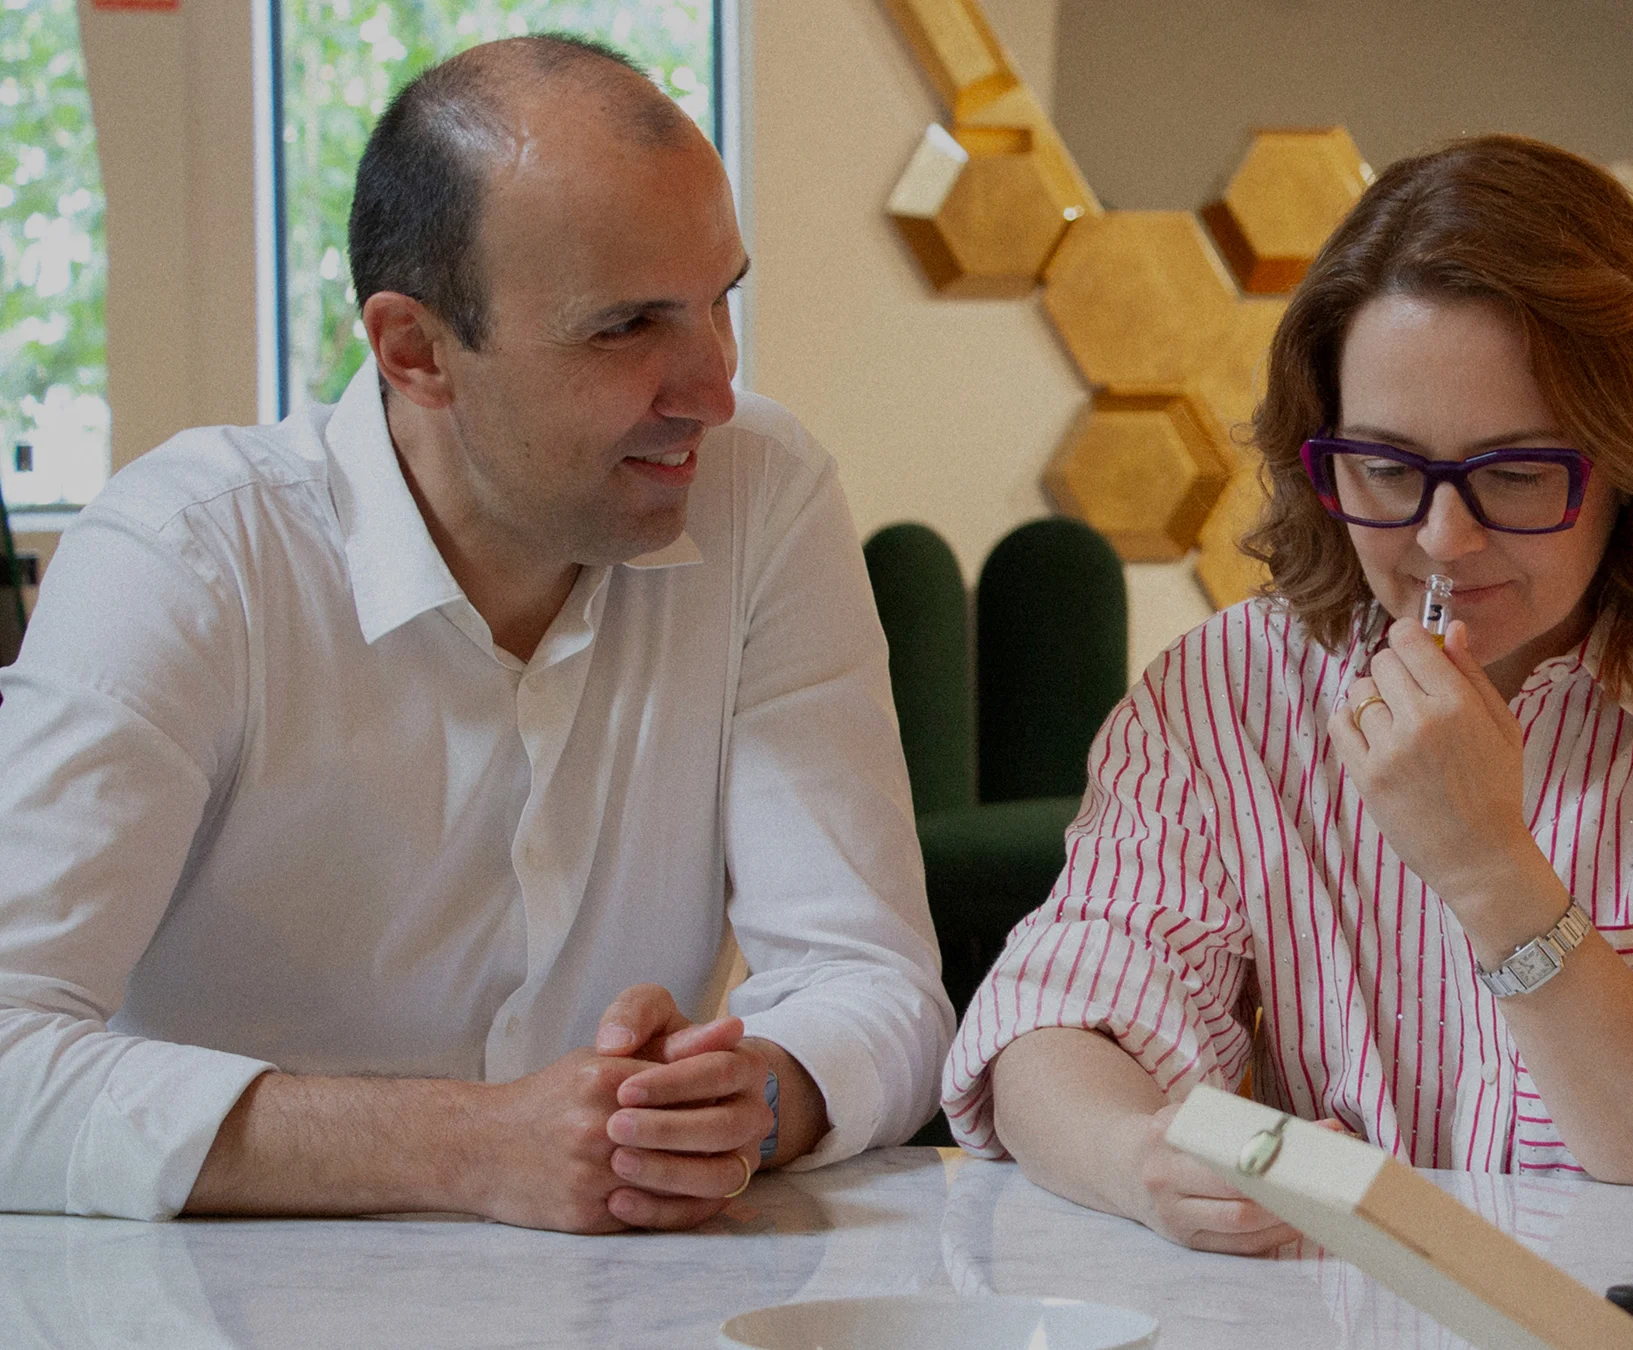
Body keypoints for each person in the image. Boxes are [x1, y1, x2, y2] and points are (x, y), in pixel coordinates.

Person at [0, 36, 952, 1231]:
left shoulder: (760, 493)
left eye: (721, 302)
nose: (712, 389)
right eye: (626, 327)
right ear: (415, 351)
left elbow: (874, 983)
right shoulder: (188, 556)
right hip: (202, 1301)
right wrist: (470, 1146)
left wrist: (748, 1100)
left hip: (619, 1291)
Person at [945, 135, 1633, 1253]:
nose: (1442, 538)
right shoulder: (1227, 689)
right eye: (1386, 468)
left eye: (1517, 472)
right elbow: (1056, 1024)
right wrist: (1144, 1160)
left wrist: (1489, 869)